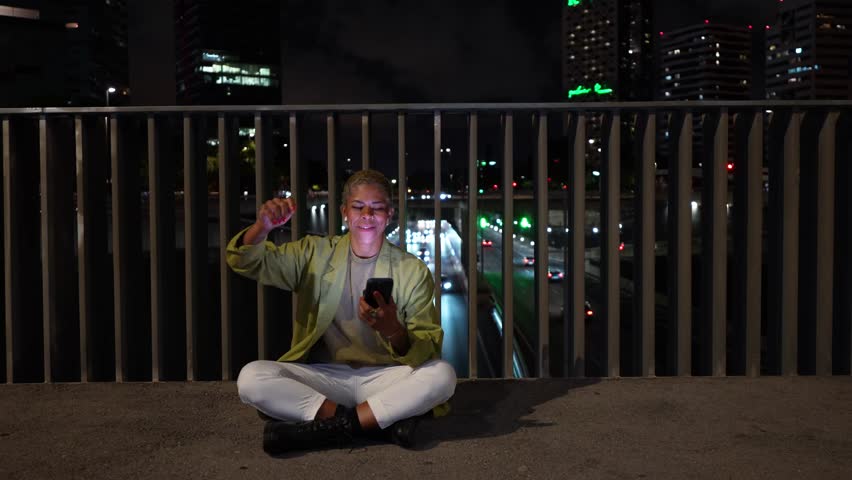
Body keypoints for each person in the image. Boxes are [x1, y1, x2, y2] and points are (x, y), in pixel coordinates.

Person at [226, 169, 456, 454]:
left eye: (377, 208)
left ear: (389, 214)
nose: (367, 215)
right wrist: (262, 228)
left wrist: (394, 331)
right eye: (358, 207)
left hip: (386, 377)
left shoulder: (412, 270)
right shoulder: (313, 254)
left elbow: (428, 348)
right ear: (344, 212)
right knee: (251, 378)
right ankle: (376, 425)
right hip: (324, 376)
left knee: (442, 375)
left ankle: (326, 428)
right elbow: (247, 262)